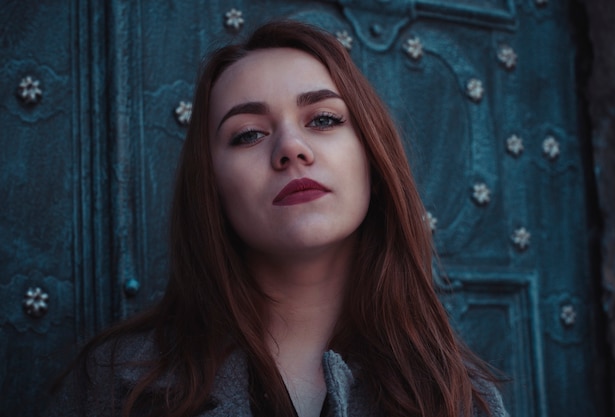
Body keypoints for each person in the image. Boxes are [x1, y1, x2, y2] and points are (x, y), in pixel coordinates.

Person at [49, 20, 508, 417]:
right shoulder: (113, 383)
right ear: (211, 187)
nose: (290, 146)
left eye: (324, 120)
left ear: (372, 156)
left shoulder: (460, 398)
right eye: (248, 134)